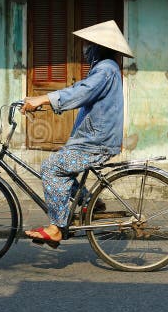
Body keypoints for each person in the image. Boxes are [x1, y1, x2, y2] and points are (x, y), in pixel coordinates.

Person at [21, 20, 134, 249]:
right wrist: (44, 102)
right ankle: (91, 202)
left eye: (88, 45)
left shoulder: (105, 69)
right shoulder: (106, 68)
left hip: (96, 142)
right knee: (61, 166)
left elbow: (81, 92)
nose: (84, 49)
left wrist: (43, 98)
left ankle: (55, 228)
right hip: (92, 139)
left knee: (52, 168)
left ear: (97, 47)